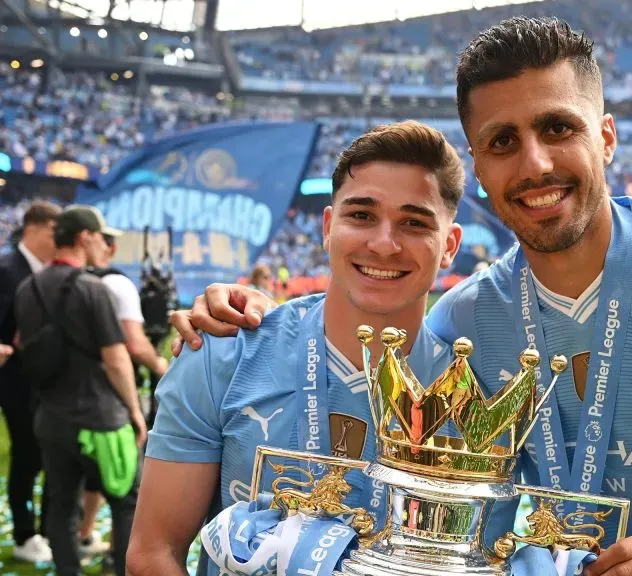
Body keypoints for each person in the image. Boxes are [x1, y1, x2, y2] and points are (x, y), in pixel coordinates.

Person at [177, 17, 632, 576]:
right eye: (502, 141)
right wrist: (237, 319)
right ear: (481, 167)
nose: (535, 163)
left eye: (558, 128)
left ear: (607, 136)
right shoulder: (461, 325)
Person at [126, 122, 465, 576]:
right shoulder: (224, 353)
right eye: (361, 215)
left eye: (414, 222)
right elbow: (153, 554)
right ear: (328, 227)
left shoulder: (472, 392)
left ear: (449, 247)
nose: (384, 243)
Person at [14, 206, 145, 576]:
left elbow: (26, 344)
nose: (103, 243)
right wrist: (135, 412)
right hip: (102, 419)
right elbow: (116, 360)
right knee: (125, 501)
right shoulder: (93, 289)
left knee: (60, 504)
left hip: (51, 417)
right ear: (84, 237)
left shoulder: (28, 288)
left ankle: (67, 571)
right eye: (99, 236)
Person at [77, 232, 171, 555]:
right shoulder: (117, 286)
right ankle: (117, 555)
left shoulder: (61, 282)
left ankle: (84, 534)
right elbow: (132, 345)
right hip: (109, 403)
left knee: (78, 480)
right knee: (127, 488)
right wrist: (160, 366)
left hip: (62, 404)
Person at [0, 200, 60, 564]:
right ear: (35, 227)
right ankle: (24, 532)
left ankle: (46, 529)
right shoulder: (7, 268)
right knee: (26, 455)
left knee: (51, 455)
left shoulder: (51, 270)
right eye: (56, 230)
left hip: (50, 381)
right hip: (15, 381)